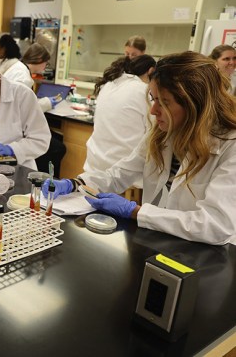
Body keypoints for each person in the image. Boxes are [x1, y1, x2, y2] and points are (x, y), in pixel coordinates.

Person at [43, 51, 236, 245]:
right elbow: (119, 174)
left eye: (164, 102)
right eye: (154, 99)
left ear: (195, 104)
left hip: (205, 256)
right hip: (157, 240)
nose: (153, 110)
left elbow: (216, 225)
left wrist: (136, 212)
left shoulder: (230, 146)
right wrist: (76, 183)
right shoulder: (163, 134)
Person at [84, 54, 156, 188]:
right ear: (150, 71)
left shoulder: (109, 85)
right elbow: (153, 132)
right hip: (122, 172)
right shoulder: (143, 90)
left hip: (94, 164)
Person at [21, 43, 60, 112]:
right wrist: (47, 103)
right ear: (39, 59)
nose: (45, 66)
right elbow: (27, 110)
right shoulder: (24, 78)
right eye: (46, 63)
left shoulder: (20, 68)